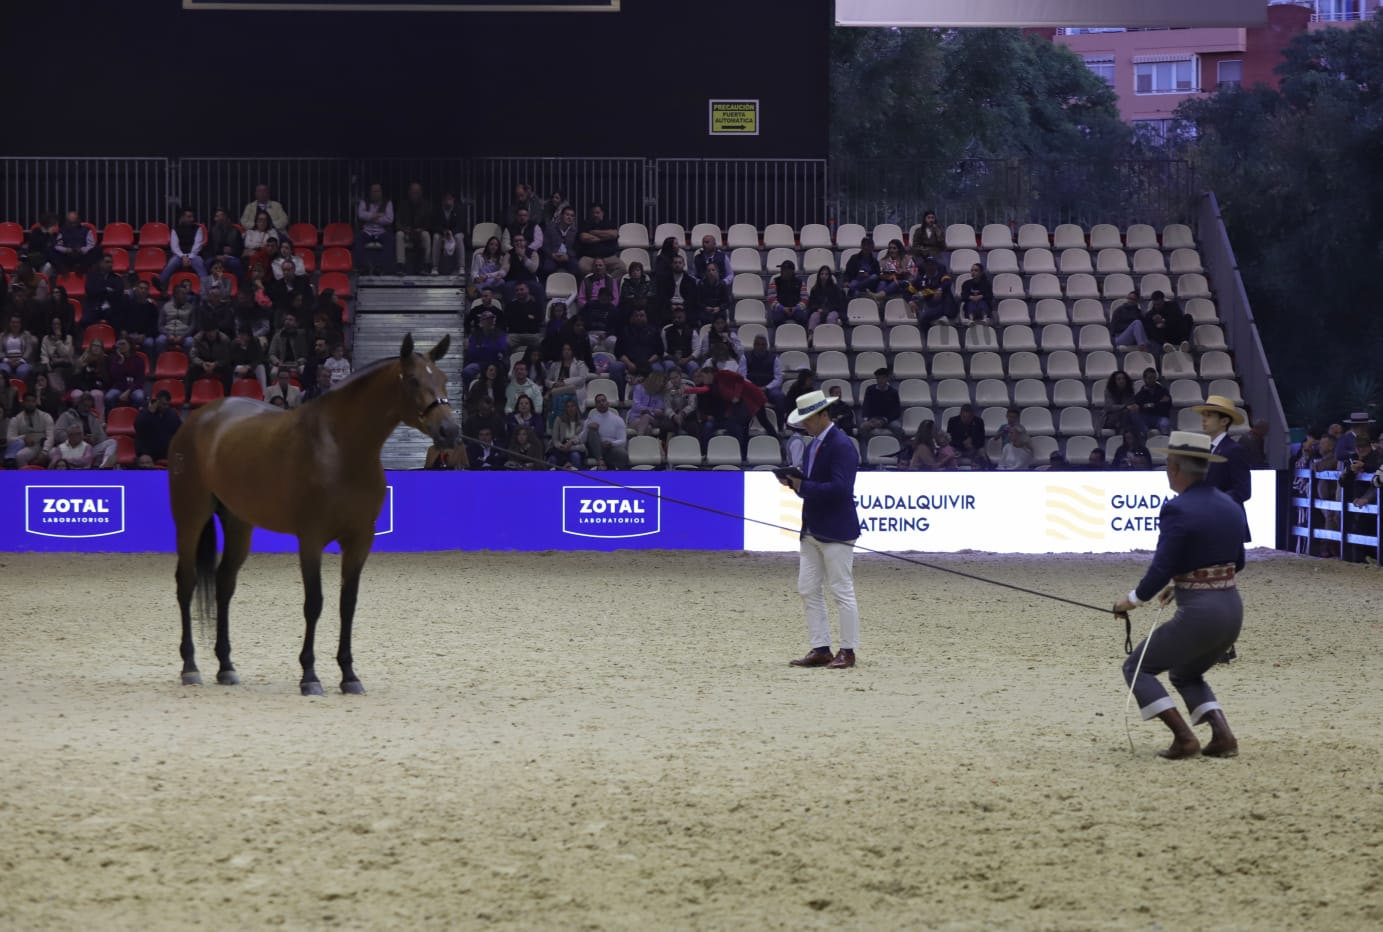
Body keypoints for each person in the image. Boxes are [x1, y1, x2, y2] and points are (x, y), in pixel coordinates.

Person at [1113, 431, 1246, 760]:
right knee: (1186, 673)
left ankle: (1184, 738)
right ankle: (1222, 736)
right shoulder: (1229, 503)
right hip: (1231, 608)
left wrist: (1131, 601)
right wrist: (1185, 582)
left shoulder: (1177, 509)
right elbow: (1237, 561)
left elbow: (1161, 568)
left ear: (1174, 468)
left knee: (1137, 667)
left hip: (1200, 614)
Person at [781, 390, 862, 670]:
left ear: (822, 415)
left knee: (842, 590)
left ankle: (848, 652)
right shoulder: (813, 444)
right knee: (808, 588)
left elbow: (841, 489)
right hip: (813, 528)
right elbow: (816, 487)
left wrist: (804, 486)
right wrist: (796, 483)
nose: (804, 425)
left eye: (808, 419)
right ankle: (821, 648)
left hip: (836, 530)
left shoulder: (841, 445)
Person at [1193, 394, 1252, 539]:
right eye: (1204, 415)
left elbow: (1243, 491)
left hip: (1227, 524)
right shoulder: (1205, 449)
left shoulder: (1233, 450)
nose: (1204, 419)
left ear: (1224, 421)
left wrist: (1212, 501)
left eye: (1209, 415)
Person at [354, 182, 395, 275]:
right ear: (370, 192)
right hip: (367, 231)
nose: (375, 193)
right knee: (357, 239)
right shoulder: (364, 202)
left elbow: (389, 219)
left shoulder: (388, 202)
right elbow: (361, 215)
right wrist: (378, 215)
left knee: (391, 240)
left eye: (377, 191)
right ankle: (363, 267)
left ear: (381, 192)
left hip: (382, 231)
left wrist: (370, 217)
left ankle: (380, 267)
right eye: (373, 191)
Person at [4, 392, 54, 467]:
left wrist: (44, 452)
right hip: (29, 447)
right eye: (28, 401)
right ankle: (25, 477)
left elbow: (50, 437)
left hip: (44, 444)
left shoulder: (45, 416)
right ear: (23, 403)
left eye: (33, 401)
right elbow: (9, 439)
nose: (30, 404)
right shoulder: (16, 419)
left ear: (36, 402)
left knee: (54, 454)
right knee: (20, 456)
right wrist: (23, 438)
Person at [161, 208, 208, 287]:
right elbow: (174, 247)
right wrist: (183, 256)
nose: (192, 219)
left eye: (192, 217)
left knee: (200, 263)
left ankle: (206, 289)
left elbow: (198, 245)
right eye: (189, 217)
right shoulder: (175, 230)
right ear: (182, 218)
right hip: (179, 256)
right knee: (171, 264)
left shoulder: (198, 228)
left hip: (194, 255)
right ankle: (160, 284)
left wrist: (189, 257)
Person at [395, 181, 433, 275]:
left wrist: (421, 229)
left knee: (426, 235)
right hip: (406, 233)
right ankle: (401, 266)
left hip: (420, 233)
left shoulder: (426, 206)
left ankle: (426, 265)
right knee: (399, 234)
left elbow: (430, 224)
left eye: (417, 192)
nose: (414, 195)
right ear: (409, 193)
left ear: (421, 193)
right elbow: (397, 223)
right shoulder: (403, 205)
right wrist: (405, 229)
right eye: (413, 192)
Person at [583, 392, 629, 469]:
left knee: (623, 454)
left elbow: (623, 441)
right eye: (598, 402)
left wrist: (611, 443)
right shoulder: (590, 419)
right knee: (592, 430)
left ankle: (620, 476)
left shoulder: (618, 419)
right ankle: (600, 460)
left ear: (608, 403)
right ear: (595, 406)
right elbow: (582, 439)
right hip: (594, 448)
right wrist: (587, 428)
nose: (601, 403)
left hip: (610, 449)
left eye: (603, 401)